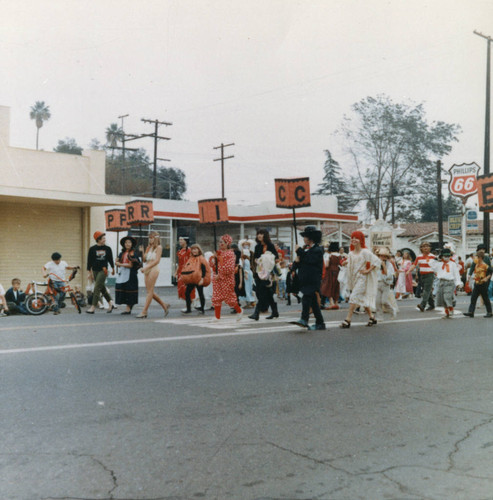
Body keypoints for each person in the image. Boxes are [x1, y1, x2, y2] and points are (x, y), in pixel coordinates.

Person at [340, 231, 380, 329]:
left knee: (353, 297)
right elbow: (350, 263)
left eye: (356, 238)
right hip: (354, 278)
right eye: (352, 237)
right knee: (362, 298)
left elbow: (376, 261)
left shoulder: (365, 252)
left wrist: (367, 270)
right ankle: (372, 317)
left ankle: (348, 319)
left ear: (361, 240)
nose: (354, 240)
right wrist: (345, 263)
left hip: (362, 278)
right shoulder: (350, 253)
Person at [291, 226, 326, 330]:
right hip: (305, 279)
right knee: (314, 302)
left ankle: (304, 319)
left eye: (305, 236)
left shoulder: (318, 249)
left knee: (306, 297)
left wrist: (299, 251)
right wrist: (295, 264)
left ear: (311, 238)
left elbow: (310, 260)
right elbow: (299, 261)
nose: (303, 239)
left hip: (312, 279)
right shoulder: (306, 249)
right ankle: (320, 323)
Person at [137, 231, 170, 319]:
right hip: (147, 268)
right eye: (149, 238)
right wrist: (143, 251)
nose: (150, 239)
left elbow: (157, 260)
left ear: (156, 238)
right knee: (149, 291)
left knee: (150, 291)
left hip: (153, 269)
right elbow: (144, 260)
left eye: (152, 238)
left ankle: (144, 311)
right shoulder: (148, 247)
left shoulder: (159, 247)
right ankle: (164, 305)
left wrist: (146, 268)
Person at [211, 234, 243, 321]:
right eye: (219, 242)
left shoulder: (230, 254)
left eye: (222, 242)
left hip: (226, 279)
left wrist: (220, 274)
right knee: (216, 297)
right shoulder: (218, 253)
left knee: (229, 298)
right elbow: (212, 265)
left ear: (227, 243)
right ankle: (217, 317)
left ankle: (239, 311)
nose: (220, 244)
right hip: (217, 279)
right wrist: (214, 258)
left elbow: (229, 268)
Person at [248, 229, 279, 320]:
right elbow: (256, 258)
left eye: (261, 234)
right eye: (258, 234)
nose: (259, 235)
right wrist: (258, 260)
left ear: (265, 235)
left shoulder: (270, 245)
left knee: (262, 292)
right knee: (267, 293)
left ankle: (256, 313)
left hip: (268, 273)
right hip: (260, 272)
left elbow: (276, 258)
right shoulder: (257, 246)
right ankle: (275, 311)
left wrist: (268, 260)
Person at [86, 231, 116, 314]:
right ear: (98, 240)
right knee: (102, 288)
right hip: (95, 270)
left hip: (103, 270)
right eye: (103, 238)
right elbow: (89, 261)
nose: (104, 239)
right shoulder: (92, 249)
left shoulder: (107, 248)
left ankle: (93, 307)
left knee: (96, 287)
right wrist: (89, 272)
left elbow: (110, 259)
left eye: (104, 238)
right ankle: (110, 303)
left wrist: (113, 268)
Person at [430, 248, 462, 319]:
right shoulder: (438, 264)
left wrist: (458, 283)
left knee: (447, 297)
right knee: (442, 299)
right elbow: (431, 264)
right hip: (441, 282)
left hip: (449, 282)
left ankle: (451, 308)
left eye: (448, 256)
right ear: (441, 256)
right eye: (445, 256)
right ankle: (447, 313)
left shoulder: (452, 264)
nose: (447, 257)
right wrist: (436, 258)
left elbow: (456, 274)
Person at [180, 243, 211, 314]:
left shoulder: (201, 259)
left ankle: (202, 308)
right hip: (192, 279)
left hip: (199, 279)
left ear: (198, 250)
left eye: (195, 249)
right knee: (187, 293)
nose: (194, 251)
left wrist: (202, 279)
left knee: (200, 293)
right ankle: (188, 308)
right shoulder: (191, 258)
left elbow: (204, 269)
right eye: (193, 249)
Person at [115, 236, 141, 315]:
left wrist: (120, 264)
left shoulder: (133, 253)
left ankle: (128, 308)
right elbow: (117, 263)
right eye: (126, 242)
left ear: (132, 244)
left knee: (129, 290)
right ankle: (128, 307)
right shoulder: (122, 253)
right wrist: (117, 261)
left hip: (131, 274)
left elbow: (130, 265)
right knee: (124, 289)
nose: (127, 244)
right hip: (123, 274)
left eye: (129, 242)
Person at [463, 249, 492, 318]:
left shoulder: (485, 265)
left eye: (477, 257)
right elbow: (473, 269)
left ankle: (489, 312)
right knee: (473, 298)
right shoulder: (476, 265)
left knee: (485, 298)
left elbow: (491, 272)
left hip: (483, 284)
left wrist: (487, 278)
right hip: (477, 283)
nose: (475, 258)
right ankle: (471, 312)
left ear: (480, 258)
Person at [408, 242, 436, 312]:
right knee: (428, 290)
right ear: (421, 248)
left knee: (426, 290)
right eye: (423, 246)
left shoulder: (433, 256)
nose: (425, 248)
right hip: (422, 275)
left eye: (427, 246)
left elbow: (437, 265)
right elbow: (414, 265)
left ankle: (422, 305)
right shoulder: (419, 257)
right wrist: (409, 271)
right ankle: (432, 304)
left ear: (430, 248)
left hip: (430, 275)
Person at [374, 247, 398, 321]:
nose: (382, 257)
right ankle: (379, 317)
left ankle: (392, 311)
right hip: (377, 283)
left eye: (384, 256)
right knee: (377, 302)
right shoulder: (375, 263)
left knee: (384, 301)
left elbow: (389, 274)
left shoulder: (389, 264)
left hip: (386, 284)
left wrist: (384, 266)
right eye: (381, 256)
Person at [320, 242, 341, 309]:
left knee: (328, 287)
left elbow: (327, 265)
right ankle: (336, 302)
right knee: (336, 287)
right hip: (337, 271)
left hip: (330, 272)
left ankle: (331, 303)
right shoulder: (339, 255)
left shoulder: (329, 255)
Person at [175, 236, 194, 303]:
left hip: (187, 271)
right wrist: (176, 272)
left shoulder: (189, 250)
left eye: (181, 240)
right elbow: (179, 263)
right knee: (181, 288)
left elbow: (191, 261)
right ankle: (189, 303)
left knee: (187, 288)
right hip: (180, 271)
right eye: (179, 240)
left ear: (185, 241)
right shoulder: (179, 251)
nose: (180, 241)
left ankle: (189, 304)